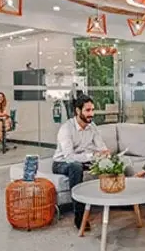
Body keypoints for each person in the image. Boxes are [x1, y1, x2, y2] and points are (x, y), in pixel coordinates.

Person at [52, 95, 109, 230]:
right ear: (78, 111)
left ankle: (114, 202)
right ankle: (79, 215)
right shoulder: (66, 129)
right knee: (76, 167)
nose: (91, 114)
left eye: (92, 110)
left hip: (83, 160)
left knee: (109, 163)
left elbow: (101, 147)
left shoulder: (92, 126)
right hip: (61, 163)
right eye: (88, 110)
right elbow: (69, 157)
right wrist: (92, 155)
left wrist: (105, 154)